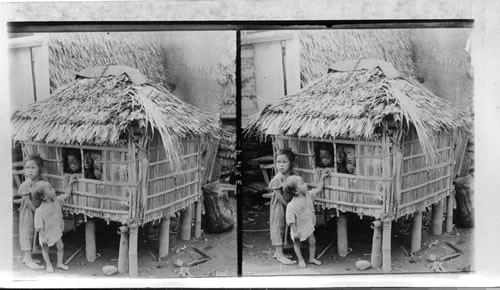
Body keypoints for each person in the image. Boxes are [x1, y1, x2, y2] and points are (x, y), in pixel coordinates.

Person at [33, 175, 78, 273]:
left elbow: (67, 194)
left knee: (60, 247)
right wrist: (43, 237)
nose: (53, 189)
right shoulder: (39, 211)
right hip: (45, 234)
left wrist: (70, 183)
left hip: (55, 230)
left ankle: (59, 263)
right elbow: (39, 226)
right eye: (50, 189)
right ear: (44, 196)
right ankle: (48, 265)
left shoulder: (56, 201)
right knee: (45, 250)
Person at [284, 171, 328, 268]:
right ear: (296, 191)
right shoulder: (291, 206)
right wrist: (295, 232)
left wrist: (322, 178)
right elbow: (291, 221)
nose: (306, 184)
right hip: (297, 229)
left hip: (308, 225)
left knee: (312, 241)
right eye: (302, 183)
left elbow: (319, 189)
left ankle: (311, 258)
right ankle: (300, 259)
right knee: (297, 244)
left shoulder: (307, 195)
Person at [268, 149, 299, 265]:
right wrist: (288, 206)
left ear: (290, 163)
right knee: (278, 226)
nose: (280, 165)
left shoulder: (290, 176)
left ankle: (279, 253)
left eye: (284, 162)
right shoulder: (277, 178)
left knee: (285, 226)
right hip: (278, 206)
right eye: (278, 162)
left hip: (287, 204)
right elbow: (279, 196)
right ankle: (279, 254)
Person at [18, 155, 48, 270]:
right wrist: (37, 212)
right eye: (27, 168)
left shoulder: (41, 181)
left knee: (35, 231)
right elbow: (28, 201)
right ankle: (28, 258)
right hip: (28, 212)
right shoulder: (26, 185)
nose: (29, 170)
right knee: (27, 231)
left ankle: (27, 258)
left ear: (39, 168)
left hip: (37, 210)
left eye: (33, 168)